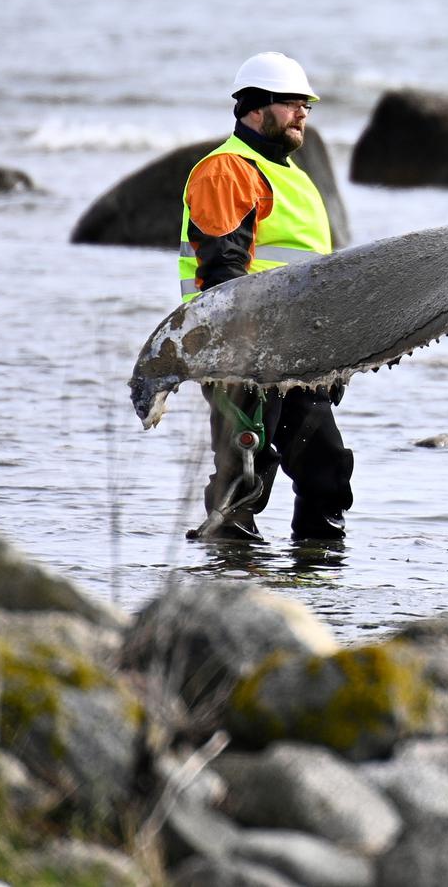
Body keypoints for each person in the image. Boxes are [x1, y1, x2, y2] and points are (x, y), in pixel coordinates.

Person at [180, 52, 354, 543]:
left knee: (327, 473)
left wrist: (330, 356)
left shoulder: (294, 178)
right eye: (292, 103)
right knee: (245, 476)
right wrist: (244, 355)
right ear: (254, 108)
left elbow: (318, 279)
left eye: (306, 105)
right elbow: (223, 273)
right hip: (242, 349)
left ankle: (316, 591)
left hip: (297, 352)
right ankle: (229, 581)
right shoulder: (227, 170)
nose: (303, 113)